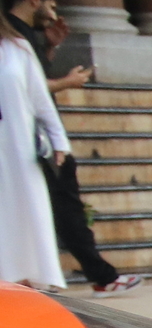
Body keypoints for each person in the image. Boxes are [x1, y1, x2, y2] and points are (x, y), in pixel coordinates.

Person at [12, 0, 131, 294]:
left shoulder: (27, 35)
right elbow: (29, 88)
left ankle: (96, 275)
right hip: (28, 141)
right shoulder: (12, 36)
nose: (53, 5)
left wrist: (50, 48)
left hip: (42, 139)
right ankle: (99, 276)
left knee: (63, 207)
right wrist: (68, 82)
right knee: (62, 207)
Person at [0, 1, 67, 290]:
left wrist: (58, 140)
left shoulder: (17, 48)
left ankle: (32, 279)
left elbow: (40, 100)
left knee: (26, 206)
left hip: (18, 146)